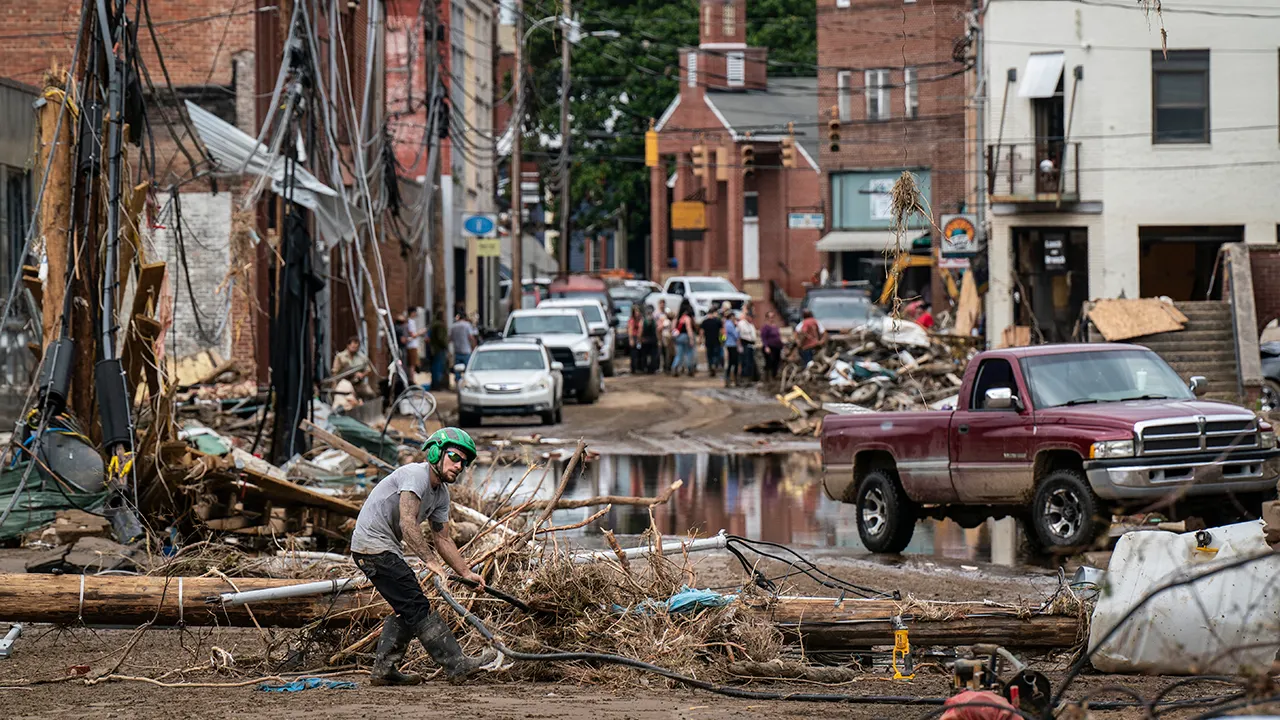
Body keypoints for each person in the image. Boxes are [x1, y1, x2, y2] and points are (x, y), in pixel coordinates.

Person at [350, 428, 497, 685]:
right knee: (417, 605)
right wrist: (431, 562)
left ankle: (384, 671)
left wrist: (465, 572)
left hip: (384, 548)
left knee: (408, 606)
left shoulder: (441, 494)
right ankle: (456, 664)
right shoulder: (415, 476)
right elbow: (408, 524)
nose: (459, 465)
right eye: (454, 456)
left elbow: (443, 538)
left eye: (463, 461)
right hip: (371, 547)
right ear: (435, 452)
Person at [449, 312, 479, 380]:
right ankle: (466, 383)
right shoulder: (467, 325)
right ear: (465, 318)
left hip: (457, 351)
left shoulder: (453, 326)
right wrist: (474, 347)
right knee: (467, 370)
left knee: (457, 370)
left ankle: (457, 383)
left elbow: (450, 339)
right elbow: (471, 337)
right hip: (466, 351)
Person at [671, 302, 696, 376]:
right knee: (689, 353)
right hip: (685, 337)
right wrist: (691, 339)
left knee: (679, 354)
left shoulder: (678, 318)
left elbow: (673, 328)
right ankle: (690, 368)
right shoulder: (687, 318)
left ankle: (675, 367)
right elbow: (689, 328)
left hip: (678, 337)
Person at [428, 311, 450, 390]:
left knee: (435, 367)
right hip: (439, 349)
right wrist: (445, 346)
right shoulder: (439, 325)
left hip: (434, 349)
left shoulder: (433, 324)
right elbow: (441, 338)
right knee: (438, 367)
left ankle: (435, 384)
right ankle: (437, 385)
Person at [760, 311, 783, 383]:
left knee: (776, 362)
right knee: (770, 362)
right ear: (767, 318)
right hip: (769, 347)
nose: (772, 319)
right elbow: (764, 338)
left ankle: (774, 376)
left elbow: (778, 336)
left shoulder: (775, 326)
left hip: (777, 347)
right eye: (770, 317)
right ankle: (767, 378)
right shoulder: (765, 327)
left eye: (773, 317)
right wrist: (766, 346)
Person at [738, 310, 759, 383]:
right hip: (745, 344)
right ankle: (744, 377)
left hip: (751, 344)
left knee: (750, 362)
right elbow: (738, 335)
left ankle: (750, 377)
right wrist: (739, 346)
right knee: (745, 361)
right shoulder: (741, 324)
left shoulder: (751, 325)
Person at [701, 307, 723, 376]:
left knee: (709, 355)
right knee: (716, 355)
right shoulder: (717, 321)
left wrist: (701, 340)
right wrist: (722, 339)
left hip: (708, 341)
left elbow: (701, 332)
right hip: (716, 341)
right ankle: (714, 364)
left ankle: (711, 366)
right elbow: (722, 331)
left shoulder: (705, 322)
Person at [640, 305, 659, 374]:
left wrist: (640, 339)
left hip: (646, 340)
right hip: (652, 340)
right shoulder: (653, 320)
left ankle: (646, 368)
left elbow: (640, 330)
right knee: (652, 355)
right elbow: (657, 330)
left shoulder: (643, 320)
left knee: (645, 356)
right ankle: (651, 368)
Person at [723, 310, 740, 387]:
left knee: (732, 362)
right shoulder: (729, 324)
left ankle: (729, 379)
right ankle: (731, 379)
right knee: (733, 362)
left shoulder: (727, 324)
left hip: (730, 344)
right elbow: (735, 335)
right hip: (731, 345)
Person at [627, 305, 643, 372]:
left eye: (638, 311)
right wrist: (631, 339)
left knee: (640, 353)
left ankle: (639, 367)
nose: (637, 313)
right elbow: (630, 330)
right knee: (634, 354)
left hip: (639, 337)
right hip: (633, 337)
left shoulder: (640, 319)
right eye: (636, 311)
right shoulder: (632, 320)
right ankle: (633, 368)